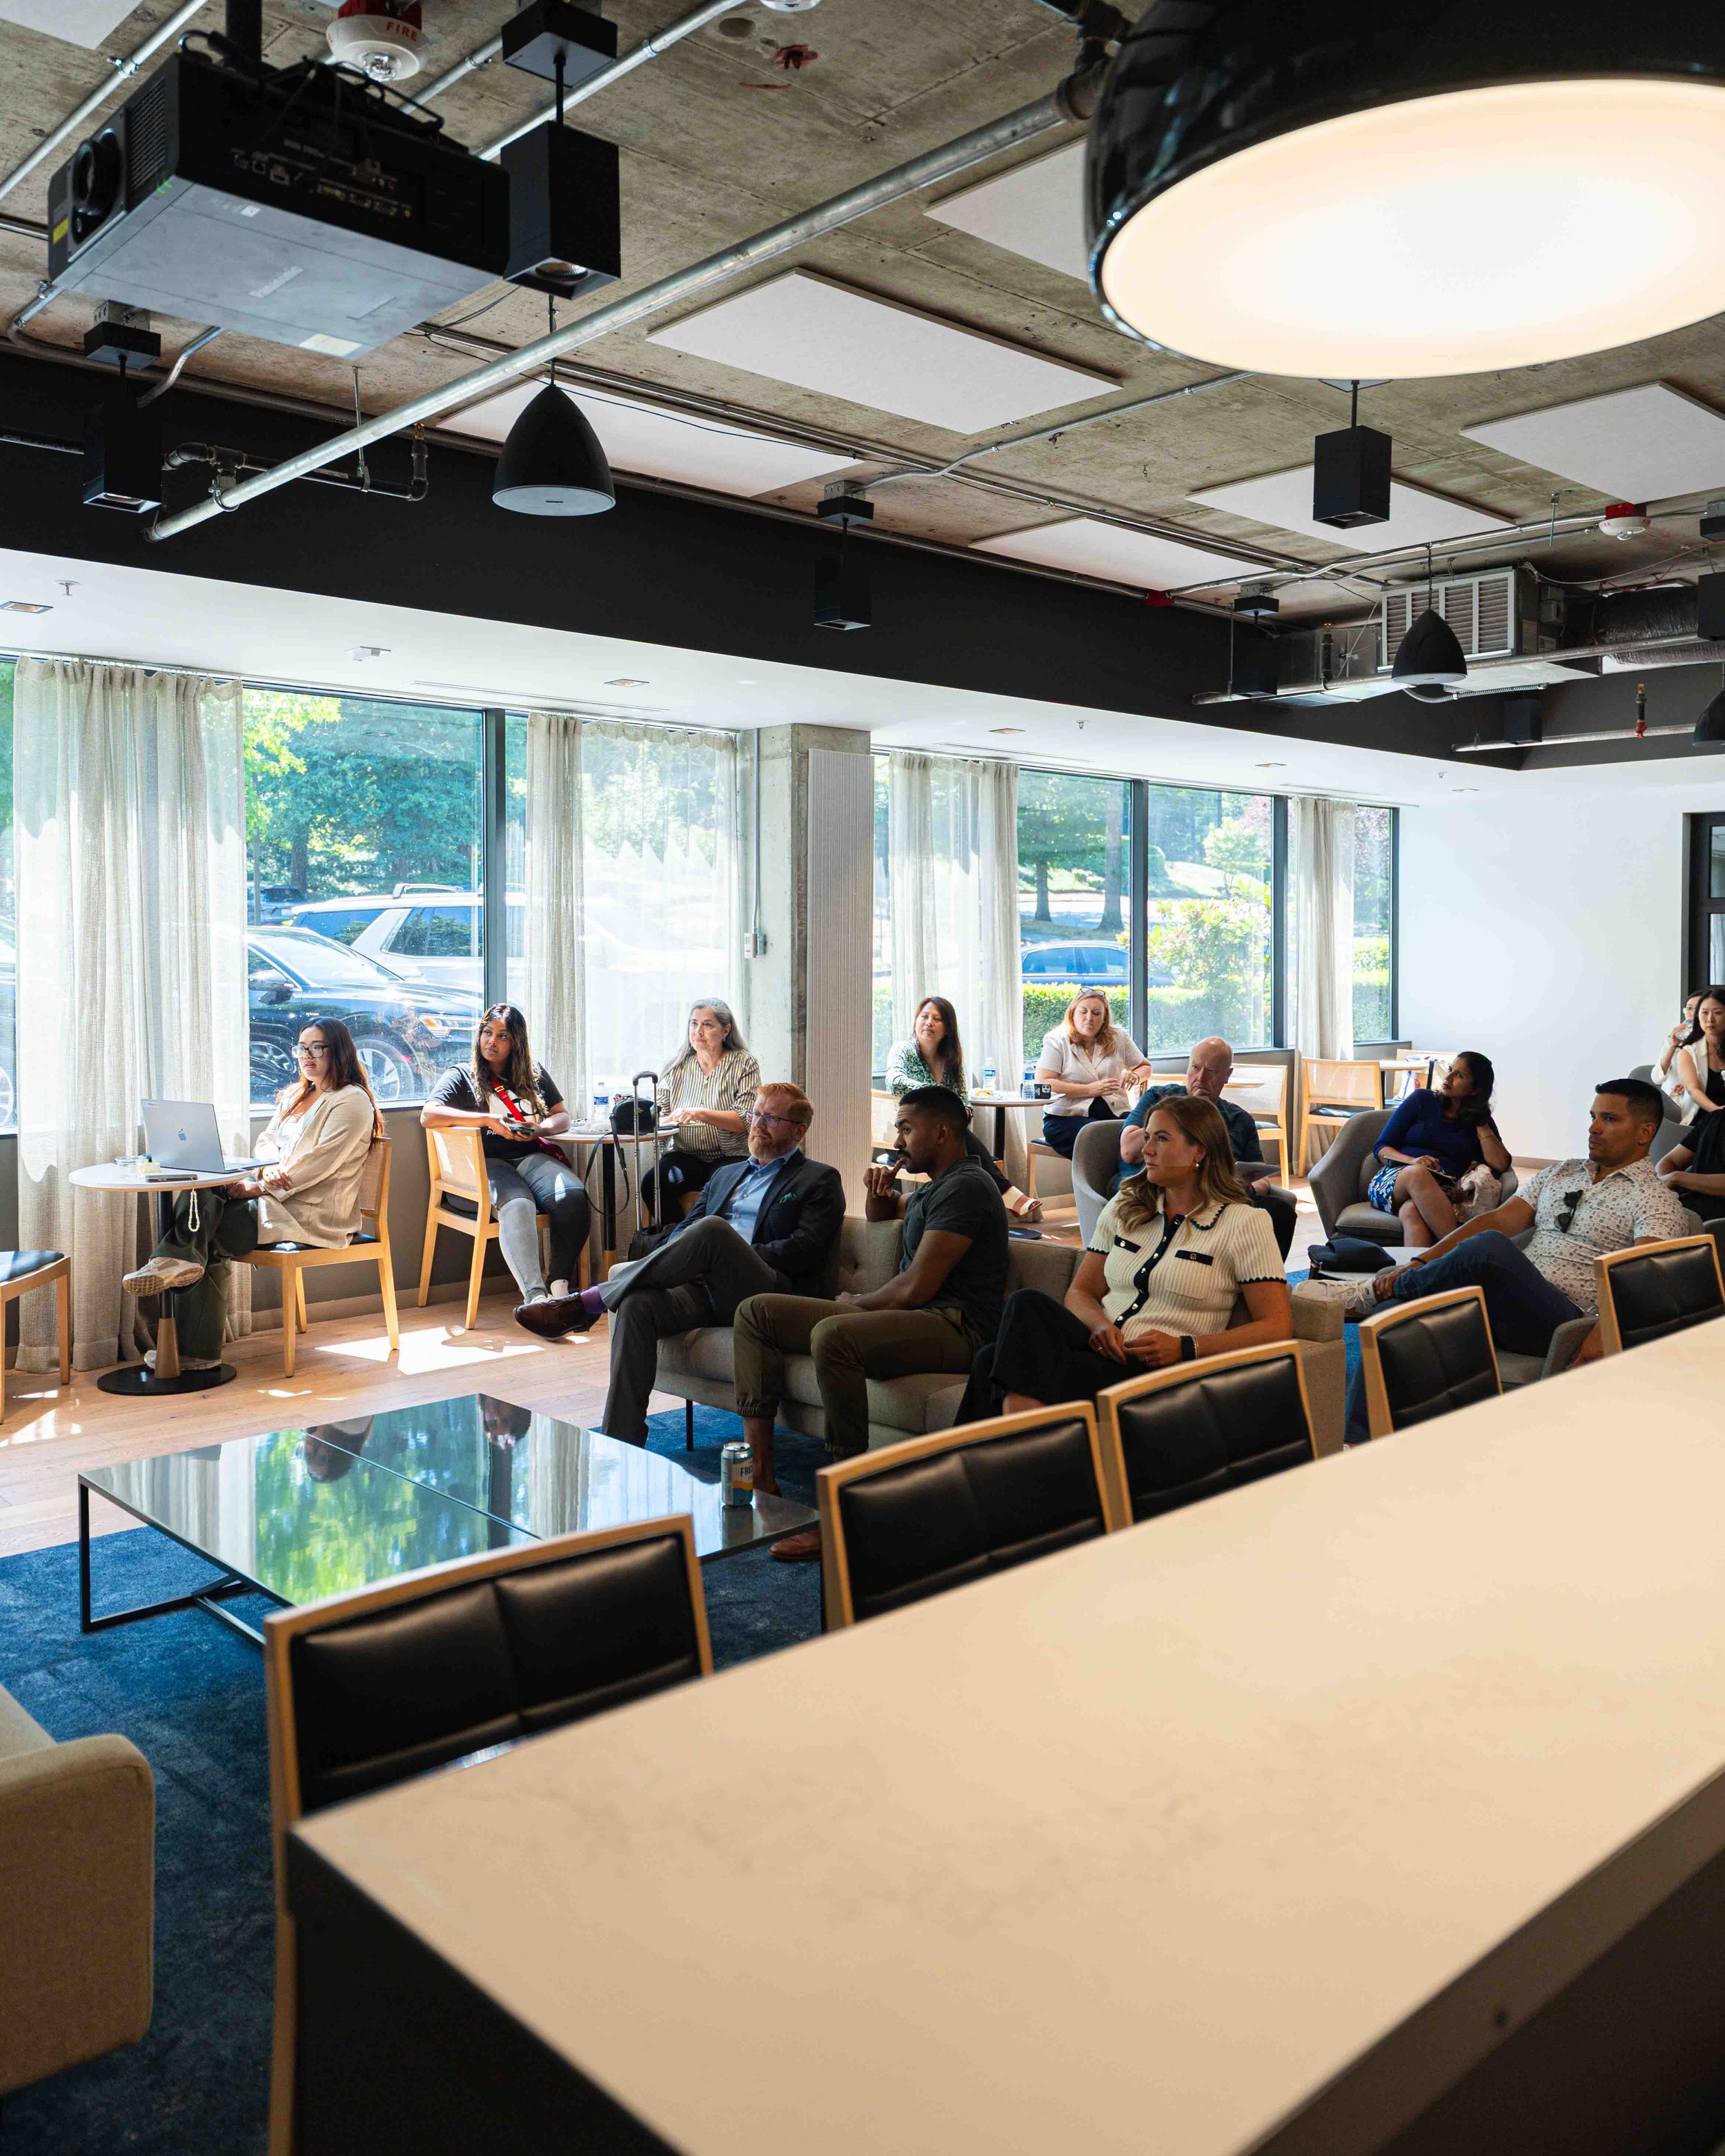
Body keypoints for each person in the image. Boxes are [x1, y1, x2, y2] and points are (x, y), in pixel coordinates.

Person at [731, 1086, 1009, 1562]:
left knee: (833, 1334)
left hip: (956, 1326)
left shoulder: (968, 1186)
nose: (896, 1139)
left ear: (941, 1132)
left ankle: (845, 1506)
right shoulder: (937, 1185)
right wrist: (881, 1197)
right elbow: (892, 1219)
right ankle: (762, 1481)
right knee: (755, 1311)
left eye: (905, 1127)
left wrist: (856, 1302)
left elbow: (914, 1290)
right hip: (919, 1317)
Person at [1339, 1079, 1692, 1443]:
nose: (1593, 1127)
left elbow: (1643, 1278)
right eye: (1592, 1116)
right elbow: (1494, 1220)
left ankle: (1368, 1294)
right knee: (1395, 1317)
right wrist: (1419, 1261)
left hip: (1564, 1321)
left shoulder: (1655, 1200)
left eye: (1609, 1119)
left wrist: (1603, 1333)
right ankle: (1360, 1442)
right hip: (1506, 1302)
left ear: (1645, 1132)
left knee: (1490, 1248)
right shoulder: (1560, 1173)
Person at [514, 1083, 845, 1444]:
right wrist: (698, 1259)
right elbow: (684, 1233)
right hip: (705, 1289)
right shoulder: (726, 1175)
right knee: (638, 1305)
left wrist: (731, 1255)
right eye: (756, 1114)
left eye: (771, 1117)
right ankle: (620, 1441)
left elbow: (806, 1249)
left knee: (715, 1232)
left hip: (768, 1296)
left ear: (799, 1130)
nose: (757, 1123)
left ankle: (587, 1303)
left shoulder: (819, 1179)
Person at [957, 1094, 1290, 1423]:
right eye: (1147, 1138)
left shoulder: (1244, 1223)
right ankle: (1029, 1452)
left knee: (992, 1361)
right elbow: (1081, 1292)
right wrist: (1100, 1325)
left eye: (1161, 1139)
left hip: (1156, 1371)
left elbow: (1277, 1326)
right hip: (1101, 1350)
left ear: (1199, 1151)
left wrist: (1186, 1347)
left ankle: (993, 1461)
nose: (1146, 1150)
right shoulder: (1127, 1204)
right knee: (1025, 1306)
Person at [121, 1018, 381, 1369]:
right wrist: (265, 1169)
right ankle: (183, 1286)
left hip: (312, 1214)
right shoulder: (297, 1094)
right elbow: (266, 1142)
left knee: (204, 1230)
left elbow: (320, 1162)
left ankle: (180, 1287)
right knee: (206, 1192)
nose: (307, 1056)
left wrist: (258, 1185)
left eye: (316, 1048)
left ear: (339, 1051)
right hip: (273, 1197)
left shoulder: (351, 1101)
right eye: (301, 1048)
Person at [421, 1004, 589, 1311]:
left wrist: (540, 1128)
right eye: (487, 1033)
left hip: (529, 1156)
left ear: (516, 1043)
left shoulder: (533, 1073)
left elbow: (562, 1117)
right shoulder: (461, 1075)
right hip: (486, 1165)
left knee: (574, 1196)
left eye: (502, 1036)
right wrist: (487, 1120)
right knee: (519, 1204)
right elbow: (429, 1115)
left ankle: (559, 1284)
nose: (491, 1042)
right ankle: (536, 1299)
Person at [1114, 1035, 1297, 1257]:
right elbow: (1129, 1151)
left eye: (1211, 1072)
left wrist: (1247, 1187)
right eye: (1195, 1068)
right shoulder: (1159, 1098)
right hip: (1160, 1189)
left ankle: (1253, 1283)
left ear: (1226, 1076)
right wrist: (1183, 1116)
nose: (1200, 1078)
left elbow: (1260, 1174)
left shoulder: (1240, 1120)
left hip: (1220, 1196)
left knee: (1280, 1212)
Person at [883, 995, 1041, 1223]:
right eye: (924, 1017)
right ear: (916, 1022)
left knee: (960, 1135)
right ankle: (1007, 1194)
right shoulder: (904, 1051)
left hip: (941, 1137)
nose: (929, 1023)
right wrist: (939, 1098)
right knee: (962, 1138)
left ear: (947, 1028)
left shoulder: (951, 1059)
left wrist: (960, 1110)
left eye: (937, 1019)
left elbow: (964, 1101)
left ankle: (986, 1210)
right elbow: (894, 1080)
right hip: (908, 1136)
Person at [1364, 1051, 1511, 1248]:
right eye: (1450, 1070)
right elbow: (1381, 1148)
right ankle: (1459, 1254)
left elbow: (1501, 1163)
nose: (1448, 1078)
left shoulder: (1478, 1122)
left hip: (1439, 1192)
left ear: (1475, 1090)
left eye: (1460, 1076)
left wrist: (1479, 1120)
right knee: (1418, 1174)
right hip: (1396, 1180)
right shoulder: (1421, 1100)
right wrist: (1413, 1161)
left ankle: (1412, 1274)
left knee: (1411, 1212)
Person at [646, 999, 760, 1220]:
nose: (698, 1031)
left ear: (725, 1030)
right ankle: (677, 1242)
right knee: (653, 1184)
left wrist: (699, 1112)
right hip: (686, 1154)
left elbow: (744, 1121)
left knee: (721, 1192)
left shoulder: (744, 1064)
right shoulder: (676, 1067)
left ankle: (707, 1245)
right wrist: (648, 1116)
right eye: (693, 1024)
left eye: (707, 1025)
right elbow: (660, 1115)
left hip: (730, 1155)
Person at [1035, 991, 1153, 1158]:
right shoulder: (1056, 1040)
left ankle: (1129, 1183)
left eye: (1096, 1013)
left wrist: (1135, 1076)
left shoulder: (1118, 1037)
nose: (1089, 1017)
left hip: (1115, 1112)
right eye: (1083, 1012)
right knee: (1102, 1140)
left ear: (1104, 1018)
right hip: (1066, 1118)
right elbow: (1043, 1083)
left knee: (1140, 1139)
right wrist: (1090, 1090)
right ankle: (1110, 1183)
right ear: (1073, 1014)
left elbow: (1145, 1067)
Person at [1654, 1094, 1725, 1223]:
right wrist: (1666, 1191)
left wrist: (1677, 1178)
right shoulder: (1715, 1119)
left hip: (1715, 1218)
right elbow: (1670, 1161)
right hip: (1688, 1207)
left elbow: (1674, 1176)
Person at [1673, 986, 1725, 1118]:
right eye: (1705, 1013)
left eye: (1717, 1013)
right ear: (1698, 1016)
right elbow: (1693, 1090)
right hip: (1703, 1120)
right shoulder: (1688, 1052)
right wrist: (1719, 1112)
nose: (1710, 1019)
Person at [1656, 990, 1704, 1116]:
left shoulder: (1714, 1042)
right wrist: (1673, 1046)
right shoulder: (1672, 1040)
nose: (1693, 1013)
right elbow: (1658, 1078)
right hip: (1674, 1103)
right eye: (1689, 1009)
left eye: (1698, 1008)